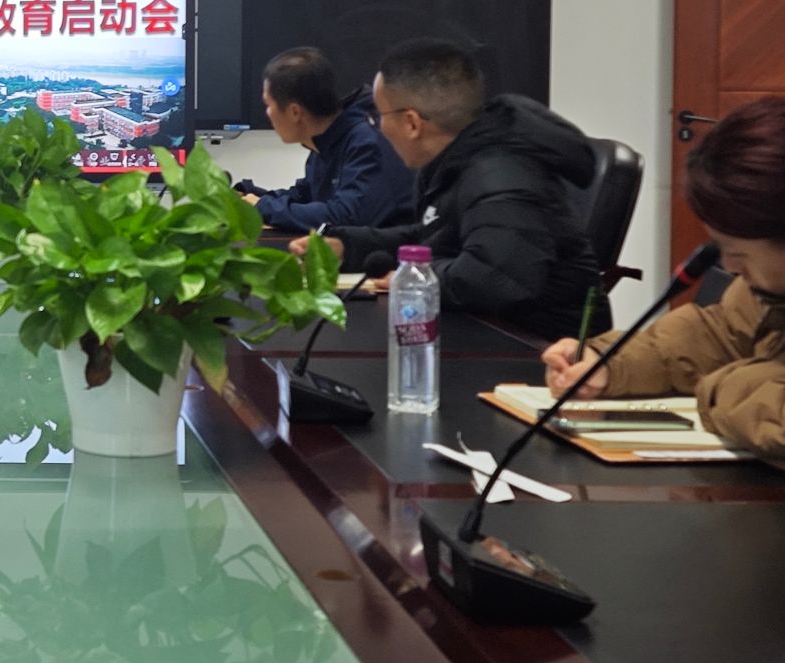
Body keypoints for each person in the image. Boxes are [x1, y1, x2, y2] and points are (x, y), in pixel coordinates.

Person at [291, 38, 605, 342]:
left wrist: (408, 276)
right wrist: (347, 247)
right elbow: (436, 237)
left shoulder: (500, 176)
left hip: (537, 353)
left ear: (412, 123)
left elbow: (493, 278)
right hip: (486, 333)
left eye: (378, 116)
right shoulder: (460, 158)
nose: (377, 128)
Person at [543, 98, 785, 452]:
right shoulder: (768, 290)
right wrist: (609, 364)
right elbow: (719, 335)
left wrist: (720, 388)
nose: (730, 267)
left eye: (738, 252)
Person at [235, 46, 413, 232]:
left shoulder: (368, 141)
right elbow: (306, 196)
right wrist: (249, 196)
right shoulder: (326, 138)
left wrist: (263, 207)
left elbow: (346, 217)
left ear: (295, 112)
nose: (267, 113)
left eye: (268, 104)